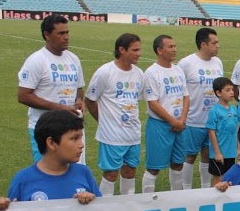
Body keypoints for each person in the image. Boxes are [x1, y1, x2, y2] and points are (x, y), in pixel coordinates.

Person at [17, 14, 86, 163]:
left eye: (67, 32)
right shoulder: (36, 60)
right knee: (48, 171)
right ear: (47, 35)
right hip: (45, 128)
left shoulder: (73, 59)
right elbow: (23, 95)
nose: (66, 37)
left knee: (74, 171)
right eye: (61, 33)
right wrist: (58, 108)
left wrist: (79, 100)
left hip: (71, 128)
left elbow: (78, 88)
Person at [85, 33, 143, 195]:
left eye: (139, 49)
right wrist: (103, 120)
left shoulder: (139, 73)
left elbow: (135, 100)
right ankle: (104, 206)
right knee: (111, 174)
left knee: (130, 171)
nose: (139, 54)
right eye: (135, 50)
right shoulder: (105, 72)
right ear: (122, 50)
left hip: (133, 134)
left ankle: (127, 204)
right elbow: (89, 100)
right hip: (112, 136)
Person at [178, 27, 225, 189]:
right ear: (204, 44)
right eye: (214, 43)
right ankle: (186, 190)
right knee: (189, 156)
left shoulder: (218, 62)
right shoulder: (186, 63)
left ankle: (205, 189)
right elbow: (180, 91)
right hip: (193, 120)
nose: (218, 46)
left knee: (207, 155)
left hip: (213, 121)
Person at [141, 34, 189, 193]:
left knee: (178, 164)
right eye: (170, 47)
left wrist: (182, 119)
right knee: (153, 167)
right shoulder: (151, 73)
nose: (174, 49)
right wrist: (173, 122)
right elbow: (153, 103)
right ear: (159, 50)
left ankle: (176, 198)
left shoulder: (178, 70)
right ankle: (147, 200)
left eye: (175, 46)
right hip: (160, 125)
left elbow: (186, 96)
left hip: (180, 125)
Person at [205, 77, 240, 185]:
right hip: (219, 154)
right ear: (218, 93)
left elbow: (236, 129)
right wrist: (217, 152)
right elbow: (211, 132)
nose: (231, 92)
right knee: (218, 179)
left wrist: (239, 149)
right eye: (228, 90)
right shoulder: (214, 111)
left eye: (232, 90)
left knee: (229, 179)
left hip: (231, 153)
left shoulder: (234, 109)